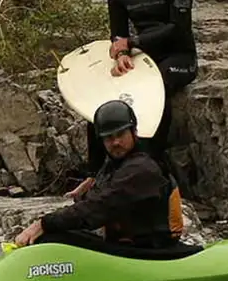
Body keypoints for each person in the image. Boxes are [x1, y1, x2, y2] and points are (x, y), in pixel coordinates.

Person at [13, 100, 185, 257]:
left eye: (121, 134)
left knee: (52, 238)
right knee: (52, 237)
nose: (115, 142)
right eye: (109, 137)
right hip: (126, 247)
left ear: (134, 132)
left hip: (154, 252)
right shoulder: (115, 164)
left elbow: (97, 208)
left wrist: (44, 223)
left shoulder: (142, 168)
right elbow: (90, 201)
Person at [79, 0, 199, 181]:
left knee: (155, 88)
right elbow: (118, 34)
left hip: (179, 58)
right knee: (106, 94)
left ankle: (151, 165)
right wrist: (121, 55)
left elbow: (179, 29)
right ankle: (93, 176)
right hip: (145, 57)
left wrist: (133, 42)